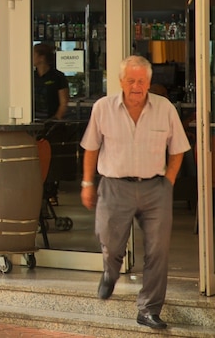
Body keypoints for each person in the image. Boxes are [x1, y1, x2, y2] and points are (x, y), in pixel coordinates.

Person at [80, 55, 190, 330]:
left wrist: (168, 182)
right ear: (121, 82)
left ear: (149, 82)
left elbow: (178, 149)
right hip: (114, 187)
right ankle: (110, 272)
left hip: (155, 188)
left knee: (157, 251)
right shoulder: (103, 108)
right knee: (110, 243)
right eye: (131, 80)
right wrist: (87, 183)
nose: (137, 86)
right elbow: (91, 147)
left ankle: (149, 309)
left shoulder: (164, 108)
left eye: (142, 81)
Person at [33, 43, 69, 122]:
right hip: (34, 121)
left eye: (33, 54)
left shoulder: (58, 76)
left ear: (42, 57)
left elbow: (64, 103)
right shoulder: (31, 77)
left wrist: (54, 120)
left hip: (51, 121)